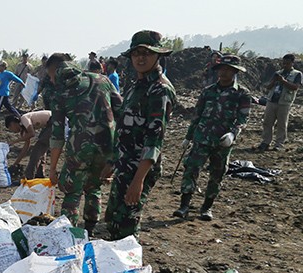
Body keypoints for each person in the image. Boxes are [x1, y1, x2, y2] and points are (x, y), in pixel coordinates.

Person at [104, 30, 177, 240]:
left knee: (127, 225)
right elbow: (123, 129)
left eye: (146, 53)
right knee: (113, 219)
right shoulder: (136, 86)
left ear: (158, 55)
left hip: (140, 167)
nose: (141, 58)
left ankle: (130, 267)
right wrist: (111, 161)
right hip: (125, 164)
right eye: (136, 53)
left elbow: (155, 139)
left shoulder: (159, 90)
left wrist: (138, 181)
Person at [46, 57, 122, 233]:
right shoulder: (103, 80)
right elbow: (121, 113)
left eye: (51, 76)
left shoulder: (60, 94)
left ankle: (69, 233)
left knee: (72, 192)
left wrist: (52, 169)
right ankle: (90, 228)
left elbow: (57, 136)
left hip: (79, 148)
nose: (50, 80)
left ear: (56, 72)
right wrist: (116, 154)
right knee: (94, 187)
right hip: (107, 146)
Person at [174, 55, 251, 221]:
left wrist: (233, 133)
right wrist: (188, 137)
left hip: (223, 142)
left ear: (235, 72)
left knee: (217, 174)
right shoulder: (208, 91)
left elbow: (243, 119)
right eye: (222, 68)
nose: (224, 72)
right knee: (191, 170)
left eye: (228, 69)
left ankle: (207, 207)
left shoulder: (242, 94)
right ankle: (184, 205)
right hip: (201, 138)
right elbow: (197, 115)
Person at [258, 53, 301, 151]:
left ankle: (279, 144)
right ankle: (266, 142)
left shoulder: (297, 74)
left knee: (282, 124)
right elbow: (268, 87)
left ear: (292, 63)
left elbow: (295, 87)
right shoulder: (278, 73)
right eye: (283, 63)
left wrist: (283, 81)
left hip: (284, 102)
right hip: (272, 100)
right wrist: (274, 81)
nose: (284, 65)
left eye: (287, 63)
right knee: (267, 122)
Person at [6, 110, 52, 179]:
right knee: (40, 150)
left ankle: (29, 177)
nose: (13, 131)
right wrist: (15, 164)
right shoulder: (24, 130)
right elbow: (25, 148)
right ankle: (40, 174)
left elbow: (32, 134)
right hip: (49, 125)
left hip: (55, 121)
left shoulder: (24, 119)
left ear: (12, 124)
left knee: (37, 150)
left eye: (11, 128)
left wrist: (15, 141)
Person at [0, 61, 24, 130]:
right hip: (0, 94)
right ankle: (21, 118)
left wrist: (21, 82)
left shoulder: (7, 74)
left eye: (0, 66)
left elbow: (15, 78)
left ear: (4, 67)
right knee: (10, 108)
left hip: (3, 94)